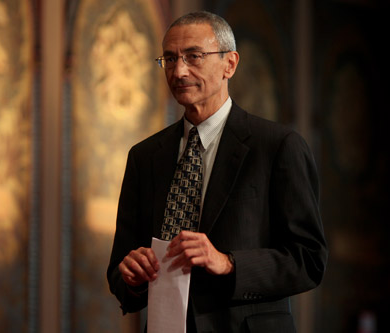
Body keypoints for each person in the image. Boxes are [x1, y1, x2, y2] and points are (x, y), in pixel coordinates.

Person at [107, 11, 327, 332]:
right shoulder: (143, 157)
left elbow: (309, 260)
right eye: (169, 59)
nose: (179, 70)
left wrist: (228, 263)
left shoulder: (278, 146)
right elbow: (119, 270)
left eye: (193, 56)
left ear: (230, 64)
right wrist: (132, 277)